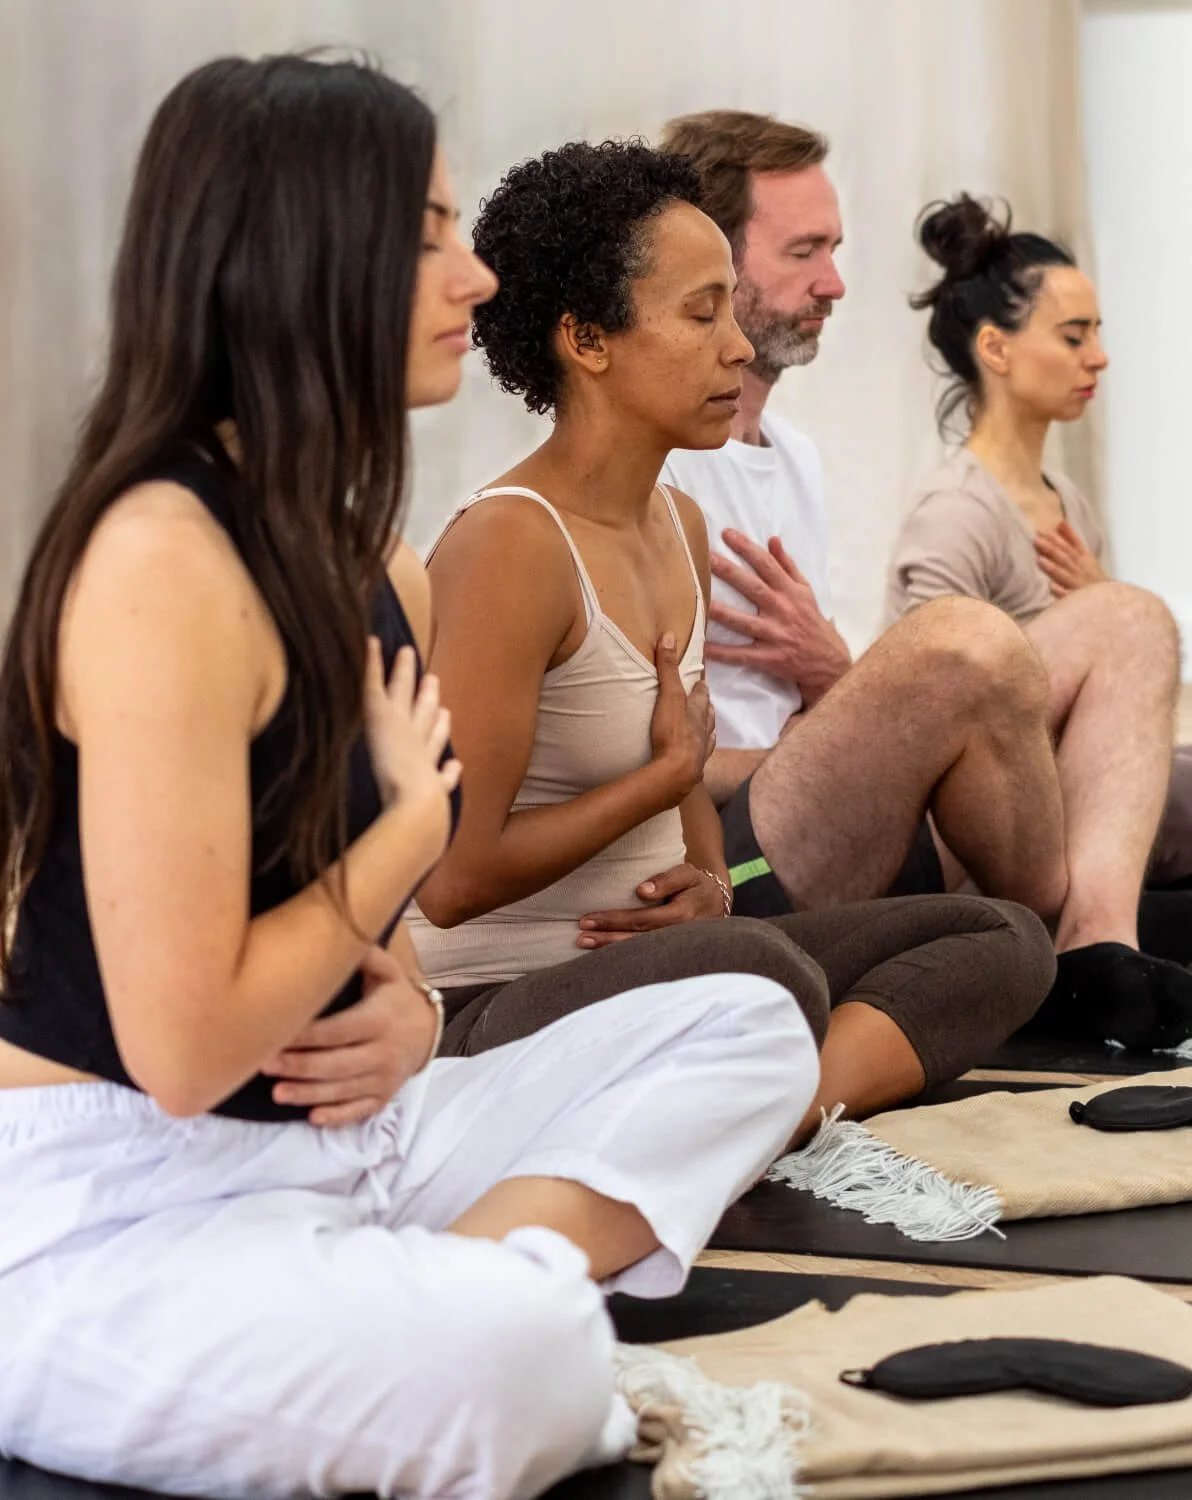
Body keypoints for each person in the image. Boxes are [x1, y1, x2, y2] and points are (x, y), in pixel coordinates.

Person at [0, 58, 819, 1500]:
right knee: (530, 1356)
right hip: (120, 1201)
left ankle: (402, 1288)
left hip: (344, 1141)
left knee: (750, 1020)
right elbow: (186, 1052)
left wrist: (408, 1008)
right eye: (432, 229)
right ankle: (430, 1304)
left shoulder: (372, 559)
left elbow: (364, 960)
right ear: (309, 250)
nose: (476, 271)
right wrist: (407, 836)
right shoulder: (160, 560)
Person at [404, 140, 1057, 1139]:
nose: (738, 347)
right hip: (495, 1008)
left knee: (1002, 936)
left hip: (667, 971)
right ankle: (746, 1095)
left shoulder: (679, 525)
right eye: (700, 314)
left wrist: (708, 887)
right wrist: (662, 780)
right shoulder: (509, 544)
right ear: (587, 340)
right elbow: (450, 880)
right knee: (768, 970)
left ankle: (775, 1112)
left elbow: (691, 825)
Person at [657, 110, 1192, 1048]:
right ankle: (1062, 914)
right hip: (741, 859)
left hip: (854, 810)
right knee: (968, 637)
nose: (834, 283)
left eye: (834, 249)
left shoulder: (794, 460)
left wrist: (842, 692)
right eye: (805, 252)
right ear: (708, 262)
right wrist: (840, 726)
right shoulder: (655, 474)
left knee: (1130, 620)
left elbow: (831, 715)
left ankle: (1095, 944)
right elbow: (643, 768)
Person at [889, 194, 1192, 889]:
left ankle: (1178, 876)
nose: (1099, 358)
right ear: (996, 347)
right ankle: (1147, 876)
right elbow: (926, 722)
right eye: (1074, 337)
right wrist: (1087, 628)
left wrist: (1104, 608)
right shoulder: (955, 513)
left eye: (1097, 334)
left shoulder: (1068, 503)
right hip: (992, 812)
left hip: (1081, 765)